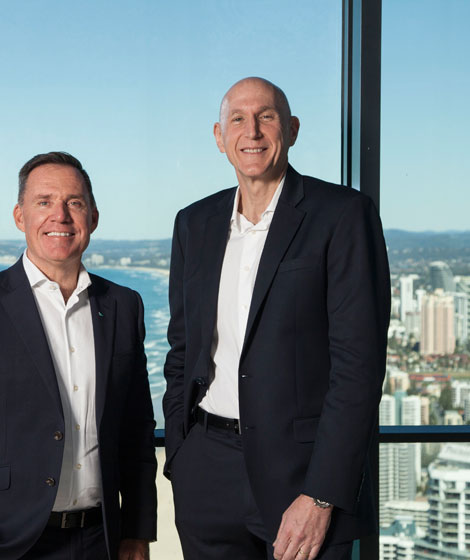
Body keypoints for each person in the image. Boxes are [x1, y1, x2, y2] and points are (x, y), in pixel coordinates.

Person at [163, 77, 390, 560]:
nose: (252, 131)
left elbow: (359, 369)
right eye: (237, 120)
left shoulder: (343, 215)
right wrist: (182, 456)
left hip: (301, 478)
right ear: (219, 137)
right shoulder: (193, 223)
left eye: (266, 117)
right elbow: (182, 349)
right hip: (206, 471)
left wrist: (322, 494)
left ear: (292, 129)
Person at [0, 152, 157, 560]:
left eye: (74, 203)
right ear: (20, 216)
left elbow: (137, 429)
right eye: (44, 202)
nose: (59, 216)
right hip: (5, 542)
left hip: (102, 540)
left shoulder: (123, 305)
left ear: (93, 217)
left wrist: (137, 531)